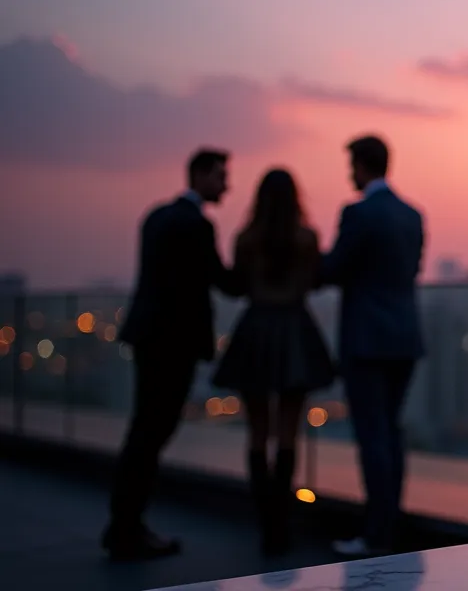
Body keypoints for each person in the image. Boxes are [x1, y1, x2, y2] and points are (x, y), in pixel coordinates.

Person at [107, 149, 242, 561]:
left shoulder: (156, 217)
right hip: (175, 344)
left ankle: (123, 524)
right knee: (153, 433)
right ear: (199, 175)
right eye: (220, 176)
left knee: (143, 431)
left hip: (148, 338)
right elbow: (223, 282)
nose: (226, 186)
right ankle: (128, 529)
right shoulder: (196, 225)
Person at [212, 168, 334, 555]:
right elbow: (315, 279)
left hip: (256, 331)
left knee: (257, 432)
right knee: (287, 433)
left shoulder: (246, 239)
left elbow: (236, 286)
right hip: (295, 331)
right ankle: (281, 524)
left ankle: (265, 522)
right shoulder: (307, 238)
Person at [322, 135, 424, 557]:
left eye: (352, 166)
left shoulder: (358, 213)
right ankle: (389, 524)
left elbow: (334, 269)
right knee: (392, 433)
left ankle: (376, 533)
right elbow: (411, 270)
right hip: (404, 337)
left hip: (366, 340)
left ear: (362, 165)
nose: (350, 175)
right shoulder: (412, 215)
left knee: (372, 436)